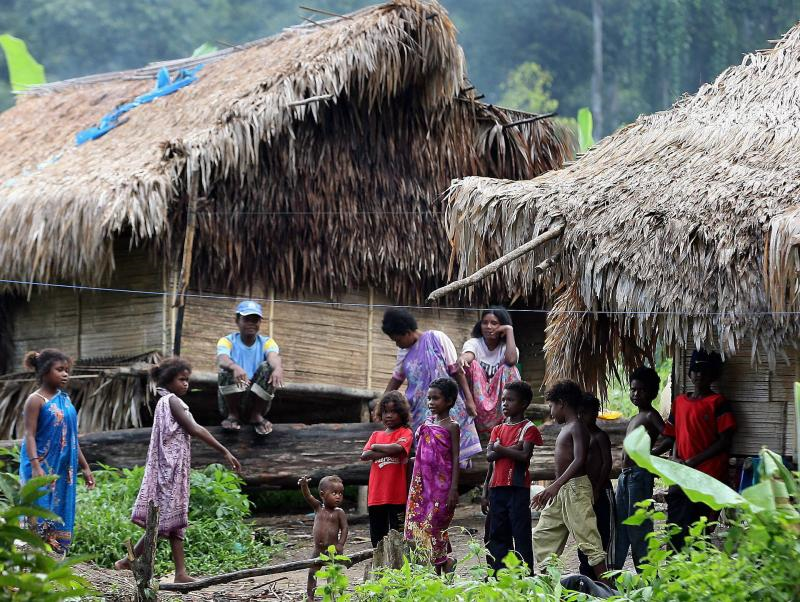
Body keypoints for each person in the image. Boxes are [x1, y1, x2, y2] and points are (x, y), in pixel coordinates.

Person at [116, 357, 241, 583]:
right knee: (164, 520)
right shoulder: (172, 400)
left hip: (173, 469)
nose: (186, 384)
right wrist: (223, 450)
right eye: (182, 379)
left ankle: (180, 573)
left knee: (175, 520)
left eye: (187, 380)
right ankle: (129, 560)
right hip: (169, 471)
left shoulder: (166, 401)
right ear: (168, 380)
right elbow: (194, 428)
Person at [652, 350, 736, 550]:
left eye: (704, 371)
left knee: (698, 530)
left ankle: (693, 574)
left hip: (706, 476)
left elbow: (725, 440)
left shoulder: (718, 403)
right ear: (689, 373)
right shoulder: (680, 402)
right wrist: (653, 455)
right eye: (695, 370)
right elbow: (671, 436)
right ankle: (676, 574)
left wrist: (691, 462)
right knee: (675, 527)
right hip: (681, 475)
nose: (698, 375)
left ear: (712, 375)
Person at [531, 380, 609, 583]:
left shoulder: (578, 427)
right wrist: (553, 488)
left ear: (562, 403)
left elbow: (579, 459)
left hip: (576, 490)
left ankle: (613, 592)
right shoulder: (568, 427)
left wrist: (555, 485)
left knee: (590, 543)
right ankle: (550, 584)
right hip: (563, 490)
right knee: (542, 534)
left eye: (551, 406)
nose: (551, 411)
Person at [382, 308, 481, 467]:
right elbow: (397, 378)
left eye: (397, 339)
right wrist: (382, 402)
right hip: (419, 408)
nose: (397, 344)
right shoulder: (404, 352)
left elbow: (455, 370)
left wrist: (469, 400)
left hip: (446, 401)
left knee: (452, 434)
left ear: (407, 332)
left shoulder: (437, 338)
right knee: (428, 453)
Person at [19, 349, 95, 554]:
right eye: (59, 369)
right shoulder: (35, 400)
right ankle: (29, 560)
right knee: (37, 509)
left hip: (63, 470)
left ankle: (51, 561)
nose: (65, 374)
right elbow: (29, 435)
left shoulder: (66, 400)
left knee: (58, 510)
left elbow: (71, 438)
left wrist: (85, 467)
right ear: (44, 371)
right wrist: (35, 466)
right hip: (40, 466)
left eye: (67, 370)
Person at [481, 381, 542, 573]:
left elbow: (524, 456)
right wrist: (485, 490)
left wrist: (500, 448)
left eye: (510, 400)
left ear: (523, 403)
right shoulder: (498, 429)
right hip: (497, 488)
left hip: (517, 488)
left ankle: (525, 574)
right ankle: (500, 575)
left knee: (520, 533)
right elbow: (490, 457)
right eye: (503, 400)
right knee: (498, 533)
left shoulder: (528, 428)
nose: (505, 404)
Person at [404, 378, 461, 574]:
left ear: (449, 401)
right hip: (421, 486)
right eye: (428, 398)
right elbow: (423, 451)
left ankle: (445, 563)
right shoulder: (426, 423)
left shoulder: (452, 426)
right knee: (417, 525)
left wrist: (454, 489)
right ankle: (437, 568)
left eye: (435, 398)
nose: (430, 402)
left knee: (434, 525)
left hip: (441, 488)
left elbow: (455, 458)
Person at [613, 366, 664, 570]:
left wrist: (651, 456)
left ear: (651, 392)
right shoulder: (635, 417)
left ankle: (647, 575)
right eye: (633, 390)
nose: (636, 394)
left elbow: (670, 436)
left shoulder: (651, 415)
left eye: (641, 390)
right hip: (626, 476)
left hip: (639, 476)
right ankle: (614, 574)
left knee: (639, 526)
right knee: (622, 524)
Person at [217, 300, 284, 436]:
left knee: (269, 367)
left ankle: (256, 416)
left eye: (255, 320)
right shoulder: (227, 341)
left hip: (257, 401)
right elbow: (222, 359)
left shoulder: (266, 342)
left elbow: (273, 357)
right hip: (231, 401)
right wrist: (234, 366)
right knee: (226, 368)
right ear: (237, 320)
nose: (251, 324)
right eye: (247, 319)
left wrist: (278, 368)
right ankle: (233, 416)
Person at [361, 391, 413, 547]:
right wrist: (383, 449)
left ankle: (399, 568)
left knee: (398, 535)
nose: (388, 416)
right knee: (377, 538)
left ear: (402, 413)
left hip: (397, 496)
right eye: (385, 412)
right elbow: (365, 455)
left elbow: (397, 448)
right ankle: (380, 568)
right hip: (376, 496)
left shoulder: (406, 432)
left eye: (393, 412)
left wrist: (376, 448)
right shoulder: (376, 434)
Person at [459, 306, 521, 437]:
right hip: (476, 403)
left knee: (509, 369)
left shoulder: (507, 347)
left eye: (494, 323)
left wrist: (509, 330)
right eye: (485, 322)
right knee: (472, 365)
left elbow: (511, 360)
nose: (488, 326)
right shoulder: (474, 343)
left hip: (500, 403)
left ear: (502, 326)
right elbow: (468, 355)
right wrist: (463, 358)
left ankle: (510, 423)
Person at [577, 393, 617, 577]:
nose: (589, 416)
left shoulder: (599, 436)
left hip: (602, 491)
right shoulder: (580, 436)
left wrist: (597, 488)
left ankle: (604, 575)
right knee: (586, 532)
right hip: (586, 493)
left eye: (593, 412)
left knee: (603, 532)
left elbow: (607, 464)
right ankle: (587, 573)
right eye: (585, 412)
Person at [298, 474, 348, 601]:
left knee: (333, 574)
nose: (338, 496)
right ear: (322, 494)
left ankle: (332, 597)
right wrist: (304, 486)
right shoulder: (318, 508)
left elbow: (345, 529)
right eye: (334, 493)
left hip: (333, 550)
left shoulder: (339, 512)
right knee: (312, 573)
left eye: (341, 493)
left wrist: (340, 544)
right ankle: (310, 596)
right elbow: (308, 496)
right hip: (318, 550)